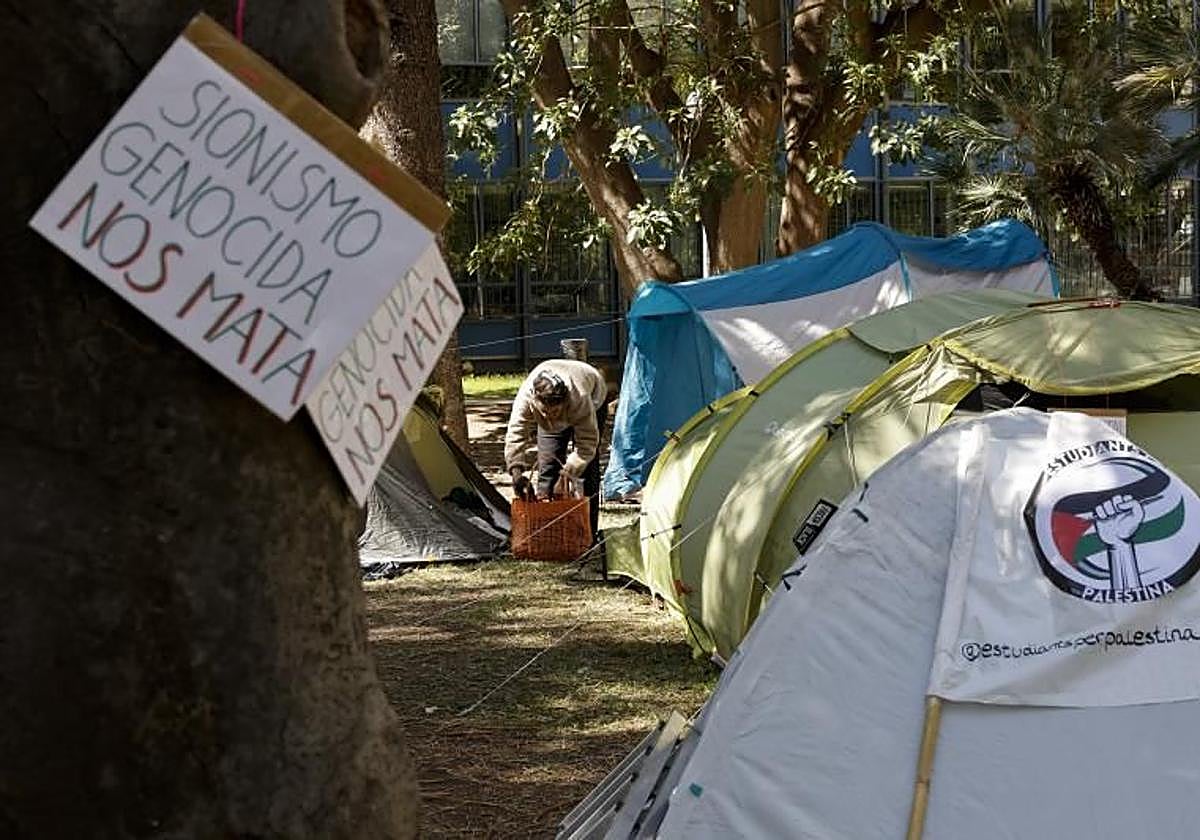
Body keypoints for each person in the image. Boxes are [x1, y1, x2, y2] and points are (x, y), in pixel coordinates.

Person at [504, 359, 609, 539]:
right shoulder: (526, 397)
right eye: (545, 412)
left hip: (594, 396)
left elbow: (587, 444)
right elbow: (516, 433)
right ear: (535, 400)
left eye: (555, 413)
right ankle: (546, 532)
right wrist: (516, 472)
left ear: (564, 402)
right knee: (548, 465)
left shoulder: (580, 399)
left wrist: (568, 472)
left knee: (586, 472)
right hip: (558, 401)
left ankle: (587, 533)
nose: (551, 417)